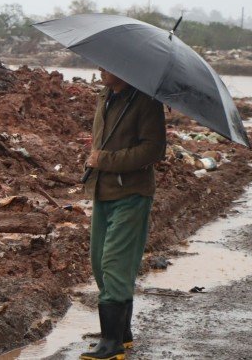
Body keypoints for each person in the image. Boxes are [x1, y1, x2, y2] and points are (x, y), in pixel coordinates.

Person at [80, 67, 166, 360]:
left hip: (131, 193)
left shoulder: (146, 102)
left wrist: (105, 159)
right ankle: (122, 331)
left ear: (125, 68)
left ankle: (111, 342)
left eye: (107, 66)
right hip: (102, 191)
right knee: (98, 261)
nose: (100, 70)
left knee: (115, 262)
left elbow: (154, 150)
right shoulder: (106, 95)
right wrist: (95, 161)